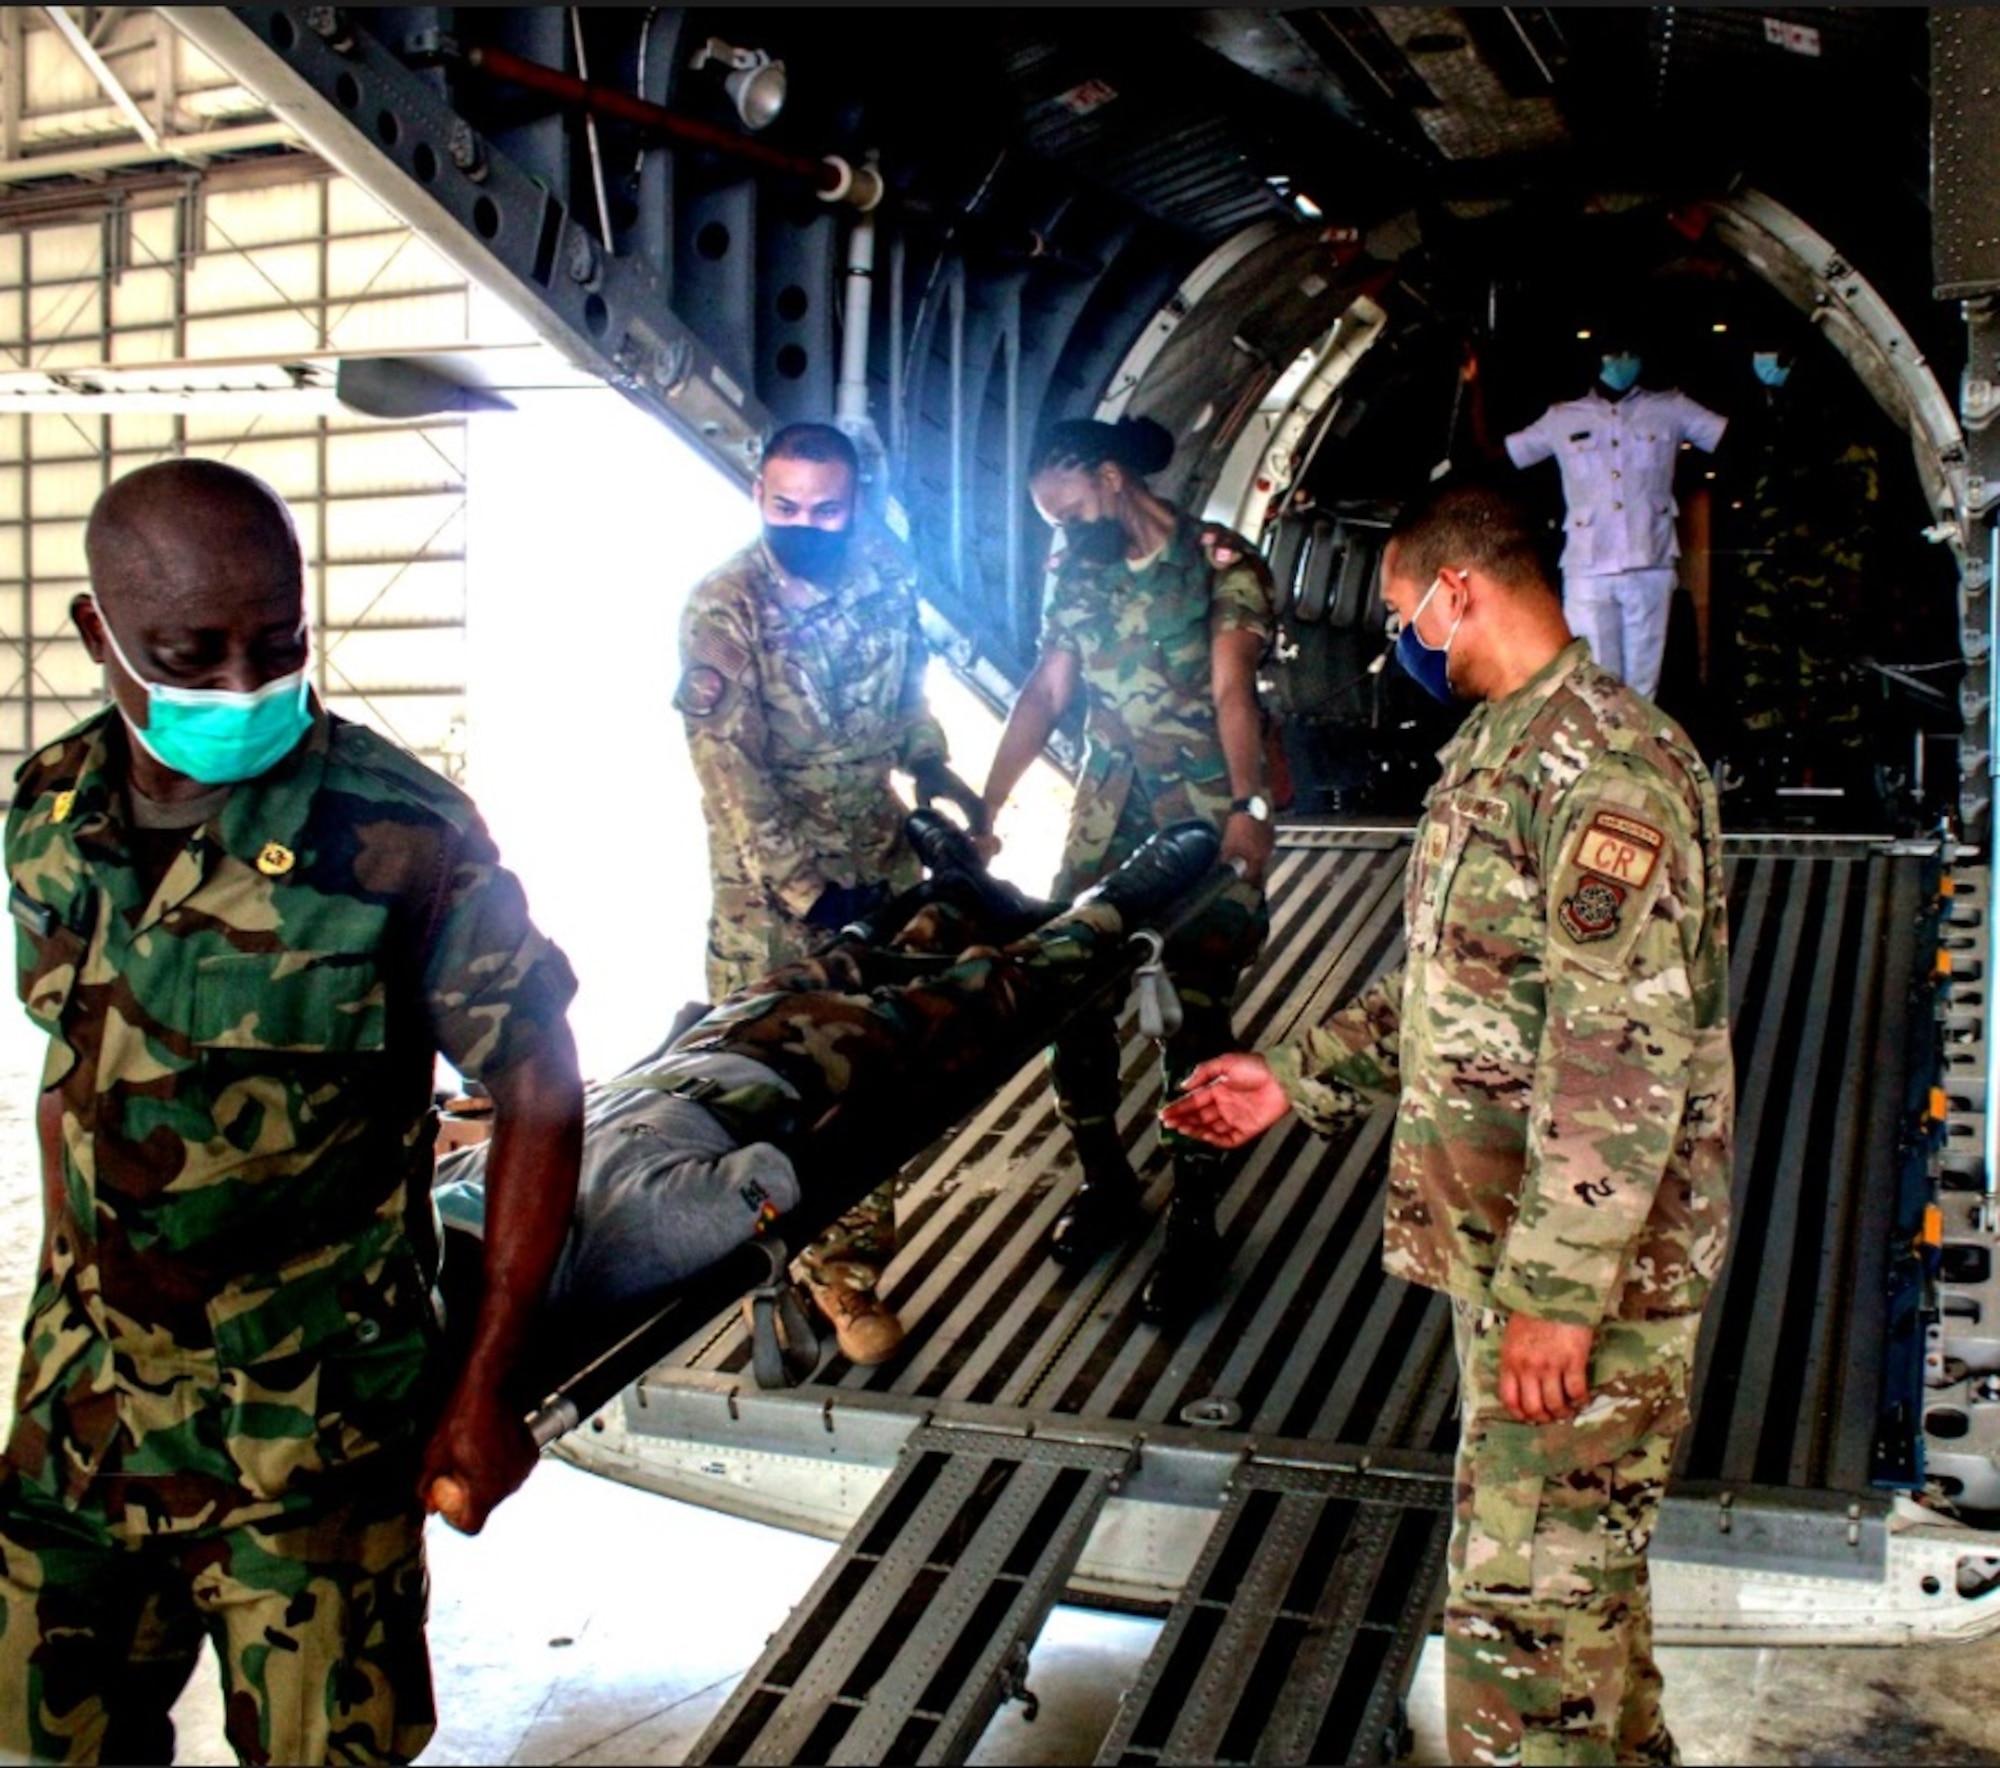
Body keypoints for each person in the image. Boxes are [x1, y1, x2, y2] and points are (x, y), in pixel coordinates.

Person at [0, 460, 585, 1765]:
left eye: (279, 645)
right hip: (82, 1419)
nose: (244, 685)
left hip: (312, 1430)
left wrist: (486, 1387)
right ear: (101, 635)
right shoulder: (46, 817)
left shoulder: (400, 834)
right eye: (190, 655)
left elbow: (538, 1088)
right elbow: (75, 1080)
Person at [1163, 479, 1732, 1766]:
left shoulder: (1608, 772)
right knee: (1577, 1612)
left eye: (1401, 613)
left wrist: (1555, 1294)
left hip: (1588, 1284)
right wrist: (1294, 1076)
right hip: (1515, 1258)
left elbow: (1614, 1058)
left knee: (1521, 1642)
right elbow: (1450, 985)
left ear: (1456, 590)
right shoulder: (1497, 748)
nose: (1400, 641)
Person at [434, 814, 1226, 1334]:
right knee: (984, 994)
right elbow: (769, 1177)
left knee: (853, 956)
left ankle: (959, 892)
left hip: (701, 1047)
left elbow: (472, 1155)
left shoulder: (474, 1189)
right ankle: (1114, 904)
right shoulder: (636, 1238)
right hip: (788, 1072)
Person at [676, 420, 980, 1365]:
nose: (804, 524)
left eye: (826, 509)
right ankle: (758, 1266)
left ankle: (847, 1277)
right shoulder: (725, 607)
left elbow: (908, 697)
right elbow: (728, 773)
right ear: (760, 497)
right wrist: (810, 895)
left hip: (878, 862)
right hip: (772, 897)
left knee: (876, 1073)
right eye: (783, 507)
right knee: (761, 1084)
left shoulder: (886, 574)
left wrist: (933, 771)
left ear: (857, 505)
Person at [975, 415, 1277, 1321]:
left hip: (1203, 806)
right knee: (1072, 985)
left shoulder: (1219, 565)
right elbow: (1047, 690)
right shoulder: (1075, 569)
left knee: (1196, 1008)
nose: (1062, 530)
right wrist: (985, 810)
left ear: (1111, 478)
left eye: (1068, 508)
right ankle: (1105, 1177)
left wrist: (1247, 808)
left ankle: (1194, 1212)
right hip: (1110, 810)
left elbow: (1234, 691)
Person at [1505, 326, 1727, 699]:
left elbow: (1727, 437)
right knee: (1589, 679)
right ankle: (1596, 755)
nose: (1620, 362)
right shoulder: (1563, 417)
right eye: (1611, 353)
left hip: (1649, 562)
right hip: (1587, 567)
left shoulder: (1670, 409)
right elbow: (1506, 455)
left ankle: (1635, 754)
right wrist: (1474, 386)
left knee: (1642, 685)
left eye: (1628, 352)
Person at [1719, 337, 1884, 804]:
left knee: (1826, 674)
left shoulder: (1831, 419)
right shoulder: (1765, 416)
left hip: (1818, 569)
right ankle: (1759, 771)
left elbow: (1859, 504)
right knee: (1760, 675)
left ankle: (1851, 775)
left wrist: (1837, 562)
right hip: (1769, 567)